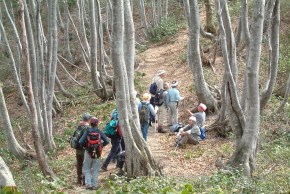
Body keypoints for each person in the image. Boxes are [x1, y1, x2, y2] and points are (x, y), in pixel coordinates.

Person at [79, 117, 110, 190]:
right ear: (97, 124)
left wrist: (86, 147)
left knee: (87, 168)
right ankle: (94, 185)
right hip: (98, 153)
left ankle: (88, 184)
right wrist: (101, 146)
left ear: (90, 123)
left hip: (88, 152)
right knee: (95, 169)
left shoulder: (87, 131)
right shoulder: (99, 132)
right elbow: (107, 141)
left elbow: (80, 142)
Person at [75, 113, 92, 185]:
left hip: (77, 149)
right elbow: (87, 139)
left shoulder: (79, 126)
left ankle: (79, 179)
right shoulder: (87, 127)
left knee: (79, 164)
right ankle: (85, 181)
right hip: (84, 149)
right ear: (88, 119)